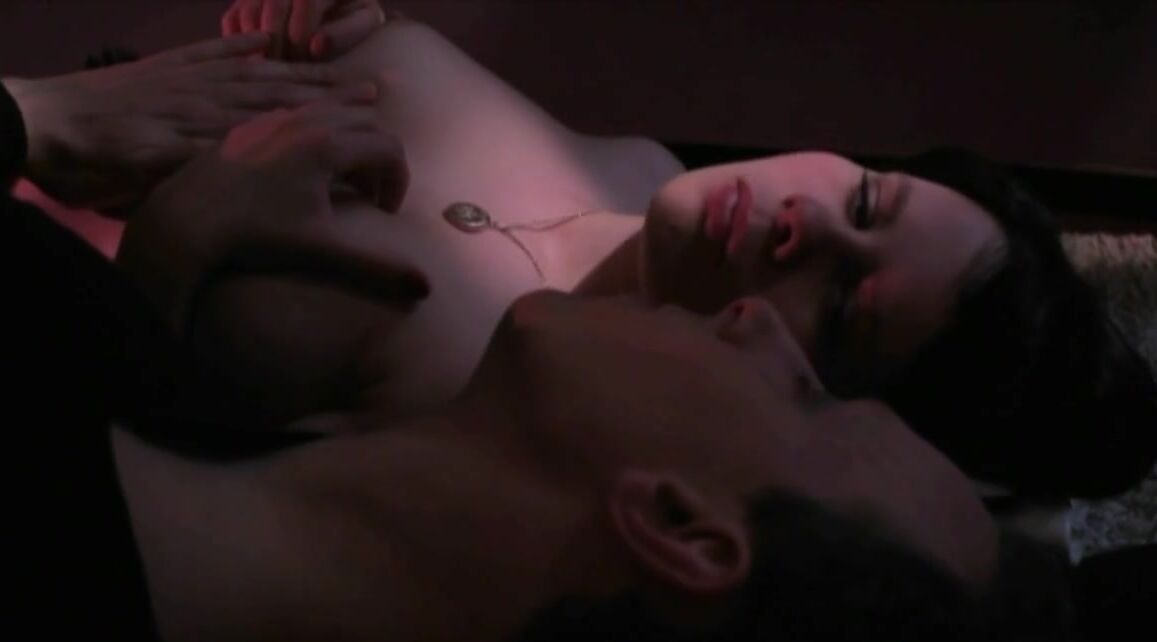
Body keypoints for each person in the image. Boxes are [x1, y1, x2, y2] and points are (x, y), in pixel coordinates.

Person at [4, 85, 1076, 641]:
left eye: (807, 393)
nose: (757, 322)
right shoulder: (145, 390)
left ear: (682, 527)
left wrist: (29, 120)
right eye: (867, 199)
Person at [117, 5, 1157, 499]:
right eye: (863, 198)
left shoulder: (505, 413)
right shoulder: (639, 167)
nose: (805, 222)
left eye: (843, 304)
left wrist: (173, 238)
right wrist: (307, 34)